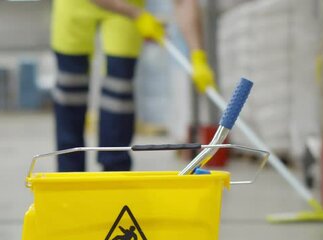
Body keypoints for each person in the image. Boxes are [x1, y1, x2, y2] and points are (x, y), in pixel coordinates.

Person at [51, 0, 215, 172]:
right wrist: (137, 14)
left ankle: (115, 174)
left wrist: (198, 56)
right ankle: (69, 177)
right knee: (70, 91)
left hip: (127, 8)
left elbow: (184, 2)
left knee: (119, 92)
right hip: (75, 7)